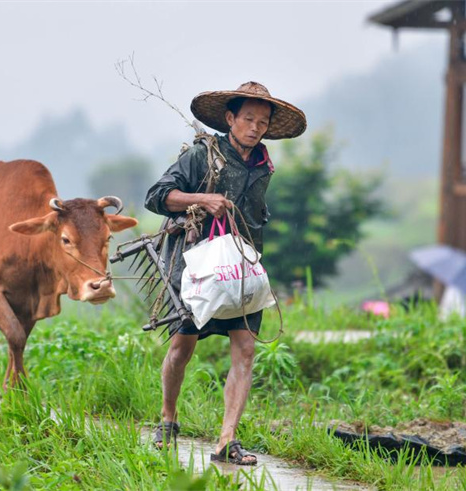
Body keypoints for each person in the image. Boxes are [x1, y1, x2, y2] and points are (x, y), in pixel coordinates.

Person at [144, 82, 306, 465]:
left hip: (243, 267)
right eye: (248, 118)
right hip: (197, 265)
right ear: (230, 119)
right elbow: (157, 196)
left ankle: (226, 440)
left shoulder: (263, 164)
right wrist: (202, 199)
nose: (255, 127)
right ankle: (168, 417)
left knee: (246, 349)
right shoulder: (203, 154)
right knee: (182, 347)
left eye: (262, 121)